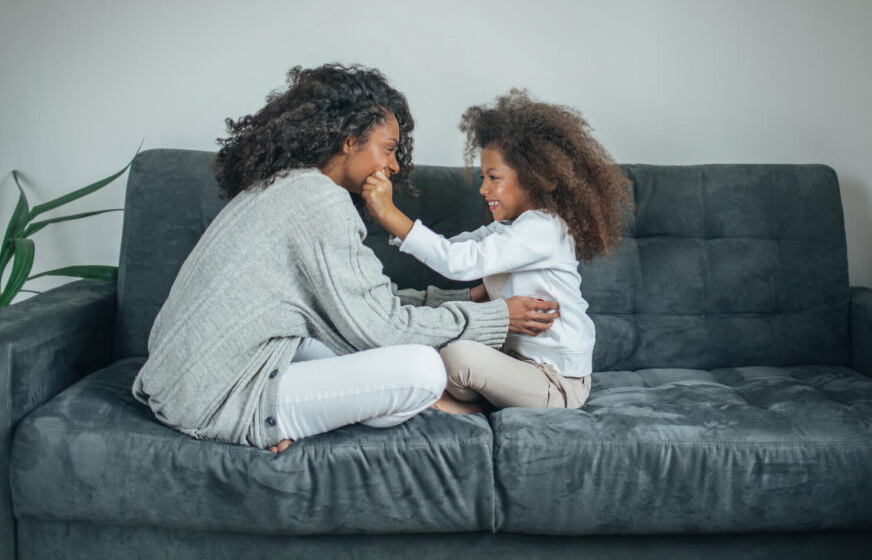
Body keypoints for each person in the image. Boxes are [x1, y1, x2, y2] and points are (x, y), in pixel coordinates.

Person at [131, 65, 559, 454]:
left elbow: (368, 306)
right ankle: (272, 422)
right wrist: (496, 318)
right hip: (216, 396)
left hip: (180, 379)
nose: (393, 166)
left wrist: (462, 295)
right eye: (388, 149)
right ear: (350, 140)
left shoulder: (287, 185)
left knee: (335, 339)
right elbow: (383, 330)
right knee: (423, 369)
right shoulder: (320, 203)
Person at [361, 89, 630, 412]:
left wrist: (391, 215)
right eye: (482, 177)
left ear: (537, 178)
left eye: (493, 177)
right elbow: (456, 248)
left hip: (555, 380)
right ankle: (482, 397)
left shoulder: (543, 229)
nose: (483, 188)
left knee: (456, 357)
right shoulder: (510, 227)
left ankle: (471, 409)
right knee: (436, 345)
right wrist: (404, 231)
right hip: (514, 363)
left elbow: (459, 263)